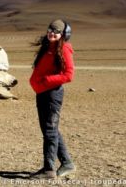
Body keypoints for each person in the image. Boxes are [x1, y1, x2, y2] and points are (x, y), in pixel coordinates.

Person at [29, 19, 76, 179]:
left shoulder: (64, 49)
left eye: (56, 31)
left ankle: (49, 170)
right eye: (50, 29)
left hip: (52, 94)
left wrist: (46, 81)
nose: (52, 33)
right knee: (50, 130)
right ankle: (67, 163)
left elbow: (69, 75)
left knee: (49, 131)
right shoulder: (48, 47)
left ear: (63, 34)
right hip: (42, 93)